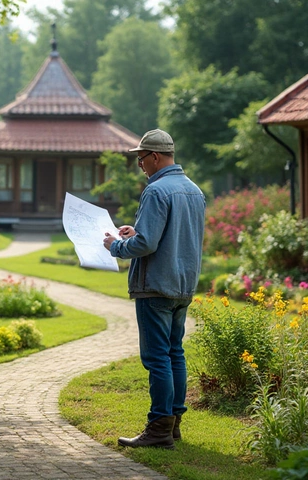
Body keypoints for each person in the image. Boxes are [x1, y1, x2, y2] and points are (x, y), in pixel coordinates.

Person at [103, 129, 205, 450]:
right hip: (182, 286)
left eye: (141, 159)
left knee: (157, 357)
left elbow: (146, 244)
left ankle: (159, 428)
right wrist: (138, 231)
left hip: (155, 287)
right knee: (175, 353)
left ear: (155, 157)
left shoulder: (156, 191)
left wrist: (116, 245)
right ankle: (173, 424)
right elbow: (165, 235)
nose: (140, 166)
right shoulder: (194, 191)